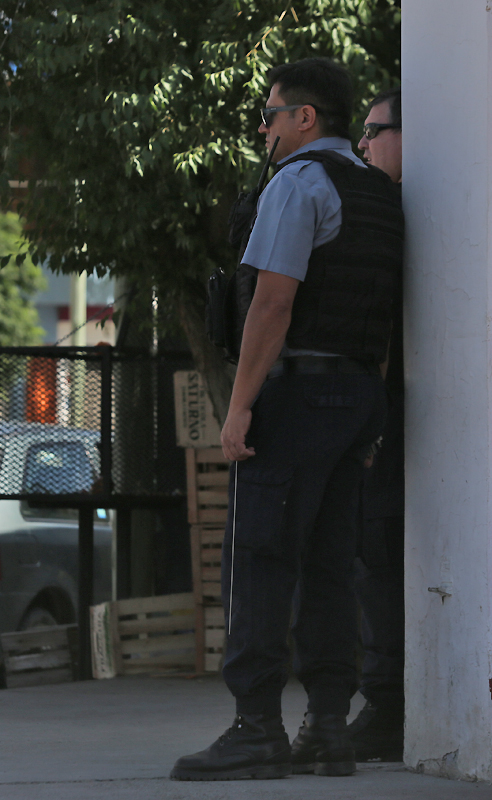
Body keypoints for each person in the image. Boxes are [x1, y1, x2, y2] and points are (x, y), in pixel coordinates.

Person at [171, 58, 404, 781]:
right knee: (332, 565)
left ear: (305, 119)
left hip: (297, 393)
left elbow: (272, 304)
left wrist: (239, 406)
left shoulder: (299, 184)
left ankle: (256, 728)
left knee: (262, 558)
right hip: (359, 394)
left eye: (270, 115)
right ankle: (327, 728)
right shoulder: (379, 193)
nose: (264, 129)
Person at [348, 89, 405, 762]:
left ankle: (387, 699)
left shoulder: (396, 213)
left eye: (375, 132)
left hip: (395, 415)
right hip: (391, 410)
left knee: (380, 555)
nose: (365, 146)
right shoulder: (388, 209)